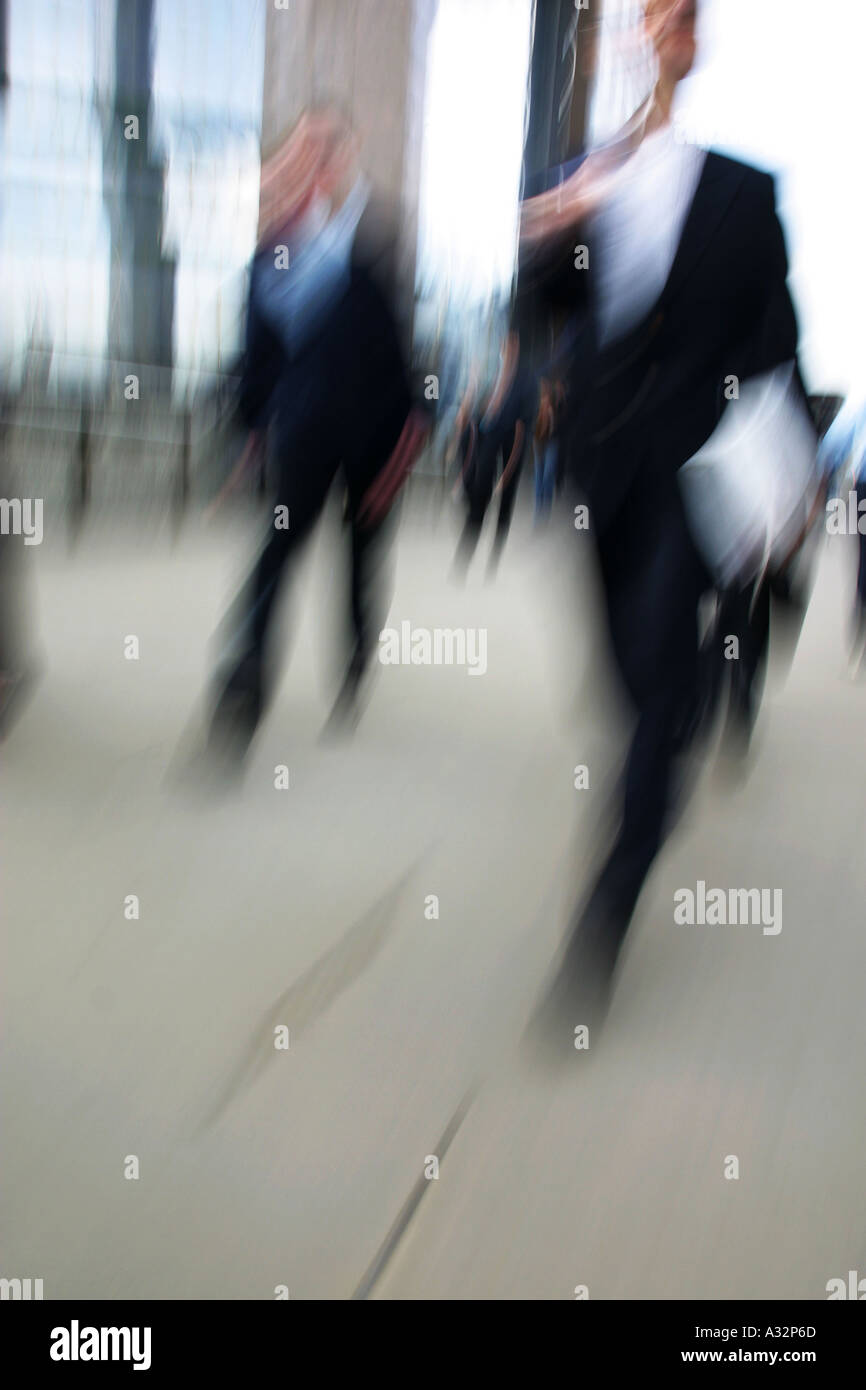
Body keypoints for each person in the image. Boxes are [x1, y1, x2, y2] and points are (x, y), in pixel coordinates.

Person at [517, 0, 809, 1043]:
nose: (659, 27)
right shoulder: (587, 174)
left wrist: (787, 479)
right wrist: (552, 234)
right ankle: (662, 743)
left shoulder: (742, 192)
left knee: (653, 682)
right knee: (623, 679)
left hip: (695, 473)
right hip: (598, 472)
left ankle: (603, 914)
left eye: (677, 13)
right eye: (647, 12)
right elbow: (547, 305)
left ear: (693, 39)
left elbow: (775, 338)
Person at [205, 106, 424, 764]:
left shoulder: (375, 235)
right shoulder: (273, 252)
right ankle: (242, 690)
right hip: (302, 436)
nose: (317, 157)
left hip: (375, 441)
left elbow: (401, 350)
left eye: (329, 144)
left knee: (360, 562)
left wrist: (405, 440)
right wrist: (247, 430)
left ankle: (356, 662)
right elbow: (257, 354)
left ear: (348, 152)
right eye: (307, 146)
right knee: (275, 554)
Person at [452, 330, 538, 577]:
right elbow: (480, 410)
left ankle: (494, 555)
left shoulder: (527, 378)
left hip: (513, 440)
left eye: (511, 343)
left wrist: (510, 465)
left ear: (517, 346)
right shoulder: (494, 373)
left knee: (506, 497)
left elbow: (525, 420)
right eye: (504, 344)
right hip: (491, 436)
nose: (507, 348)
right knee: (480, 492)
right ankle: (465, 556)